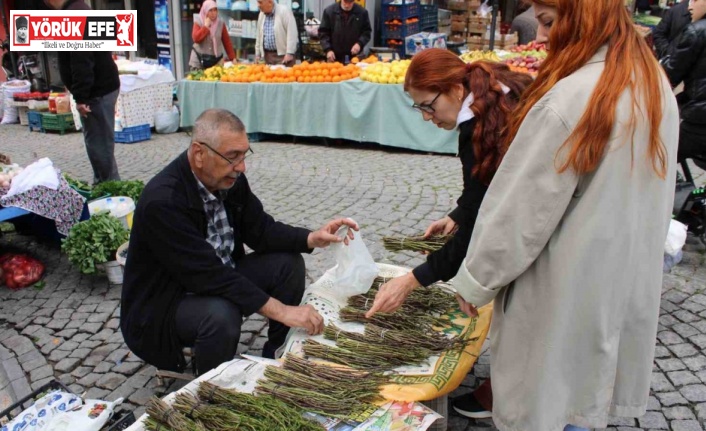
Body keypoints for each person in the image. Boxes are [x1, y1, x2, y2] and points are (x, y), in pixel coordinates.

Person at [449, 0, 678, 429]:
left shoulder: (573, 97)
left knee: (550, 403)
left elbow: (521, 211)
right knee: (581, 402)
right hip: (617, 284)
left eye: (548, 21)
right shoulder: (652, 83)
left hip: (565, 287)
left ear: (583, 14)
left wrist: (476, 280)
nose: (539, 36)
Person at [121, 109, 358, 375]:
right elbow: (208, 275)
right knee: (220, 315)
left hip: (216, 277)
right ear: (199, 154)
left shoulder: (229, 179)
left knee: (287, 263)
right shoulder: (163, 202)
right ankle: (211, 388)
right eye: (232, 157)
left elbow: (261, 230)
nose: (241, 167)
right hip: (164, 306)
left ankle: (278, 354)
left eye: (244, 155)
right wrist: (282, 310)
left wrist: (310, 238)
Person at [365, 50, 533, 419]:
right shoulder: (493, 91)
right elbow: (483, 192)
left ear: (455, 89)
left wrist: (413, 279)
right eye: (419, 110)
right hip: (533, 217)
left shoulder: (479, 127)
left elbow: (480, 225)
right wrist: (456, 215)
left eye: (428, 106)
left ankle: (527, 405)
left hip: (538, 229)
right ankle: (508, 390)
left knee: (526, 313)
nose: (427, 117)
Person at [45, 0, 120, 184]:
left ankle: (109, 188)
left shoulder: (75, 13)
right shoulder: (78, 8)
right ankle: (106, 183)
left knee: (99, 145)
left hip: (97, 91)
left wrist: (81, 98)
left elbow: (82, 61)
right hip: (100, 87)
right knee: (101, 143)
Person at [662, 0, 706, 162]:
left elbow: (670, 74)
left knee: (659, 158)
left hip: (699, 122)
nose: (689, 6)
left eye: (695, 0)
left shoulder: (697, 31)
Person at [189, 1, 237, 70]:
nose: (213, 13)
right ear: (205, 11)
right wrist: (205, 27)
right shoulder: (199, 21)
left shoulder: (220, 23)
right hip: (199, 61)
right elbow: (196, 38)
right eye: (210, 10)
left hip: (216, 61)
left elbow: (227, 41)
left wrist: (232, 58)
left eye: (215, 10)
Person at [255, 0, 298, 66]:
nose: (258, 5)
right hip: (267, 56)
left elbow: (292, 33)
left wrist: (290, 53)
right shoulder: (261, 14)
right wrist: (257, 54)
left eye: (260, 2)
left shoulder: (284, 11)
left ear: (270, 2)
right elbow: (259, 35)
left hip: (284, 57)